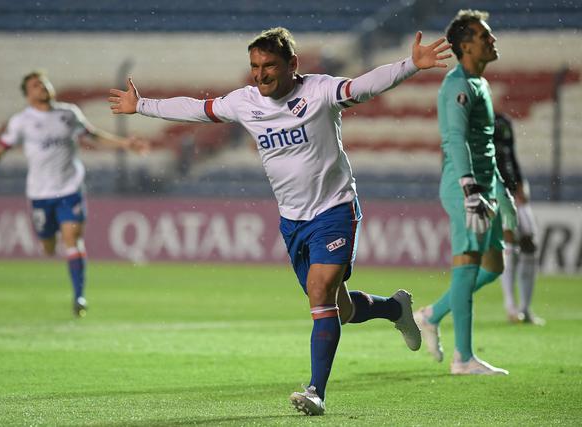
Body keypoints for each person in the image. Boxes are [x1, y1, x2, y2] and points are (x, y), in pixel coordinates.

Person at [109, 27, 451, 415]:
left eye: (269, 65)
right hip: (292, 220)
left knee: (321, 294)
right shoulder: (245, 102)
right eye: (254, 66)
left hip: (334, 209)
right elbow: (198, 109)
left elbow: (365, 86)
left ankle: (315, 392)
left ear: (293, 64)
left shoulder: (319, 91)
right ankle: (395, 309)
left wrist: (412, 65)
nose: (260, 74)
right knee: (339, 306)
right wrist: (142, 106)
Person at [0, 71, 146, 318]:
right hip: (40, 193)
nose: (42, 87)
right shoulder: (21, 121)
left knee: (73, 239)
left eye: (44, 82)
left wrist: (125, 144)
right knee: (48, 245)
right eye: (36, 85)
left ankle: (79, 296)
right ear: (27, 94)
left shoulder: (68, 113)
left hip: (70, 189)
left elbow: (92, 135)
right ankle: (52, 245)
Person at [413, 10, 517, 375]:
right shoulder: (456, 85)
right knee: (467, 265)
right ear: (465, 46)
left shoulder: (480, 85)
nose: (492, 40)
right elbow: (455, 139)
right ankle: (464, 358)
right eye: (484, 36)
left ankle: (432, 314)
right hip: (464, 189)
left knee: (493, 267)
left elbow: (485, 146)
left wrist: (502, 196)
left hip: (486, 188)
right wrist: (471, 190)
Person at [494, 112, 544, 325]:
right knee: (509, 242)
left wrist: (521, 181)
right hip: (496, 192)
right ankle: (511, 306)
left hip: (515, 191)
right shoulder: (473, 123)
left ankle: (525, 308)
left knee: (530, 243)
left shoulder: (503, 122)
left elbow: (510, 155)